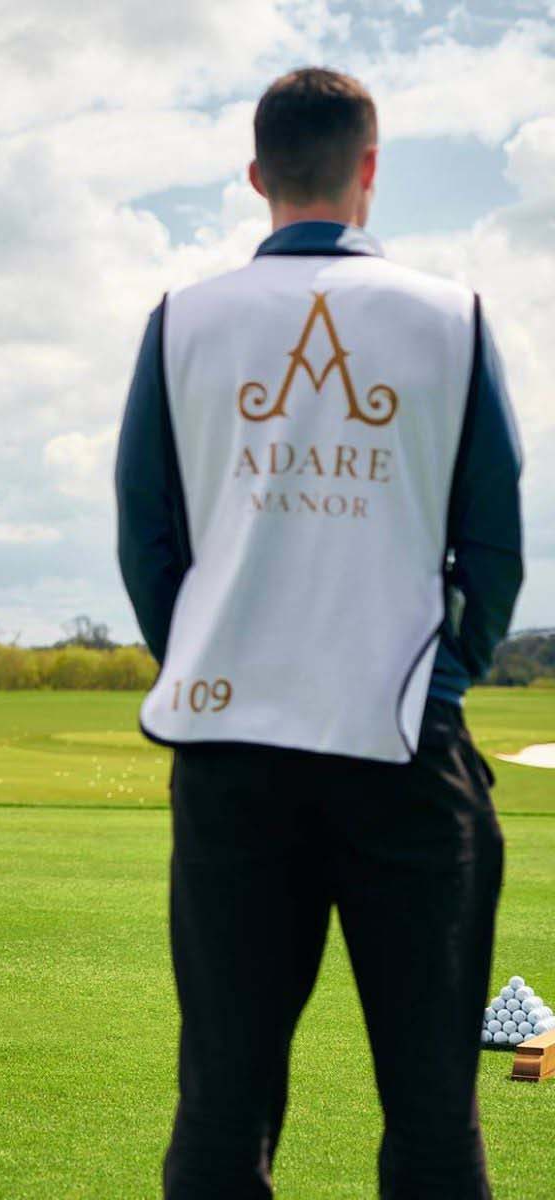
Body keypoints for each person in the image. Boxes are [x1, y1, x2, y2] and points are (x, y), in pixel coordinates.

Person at [115, 67, 522, 1197]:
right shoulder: (454, 316)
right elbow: (491, 551)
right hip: (401, 748)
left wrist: (211, 661)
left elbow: (148, 545)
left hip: (231, 755)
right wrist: (439, 692)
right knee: (435, 1112)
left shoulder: (180, 320)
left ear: (255, 176)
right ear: (371, 169)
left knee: (222, 1109)